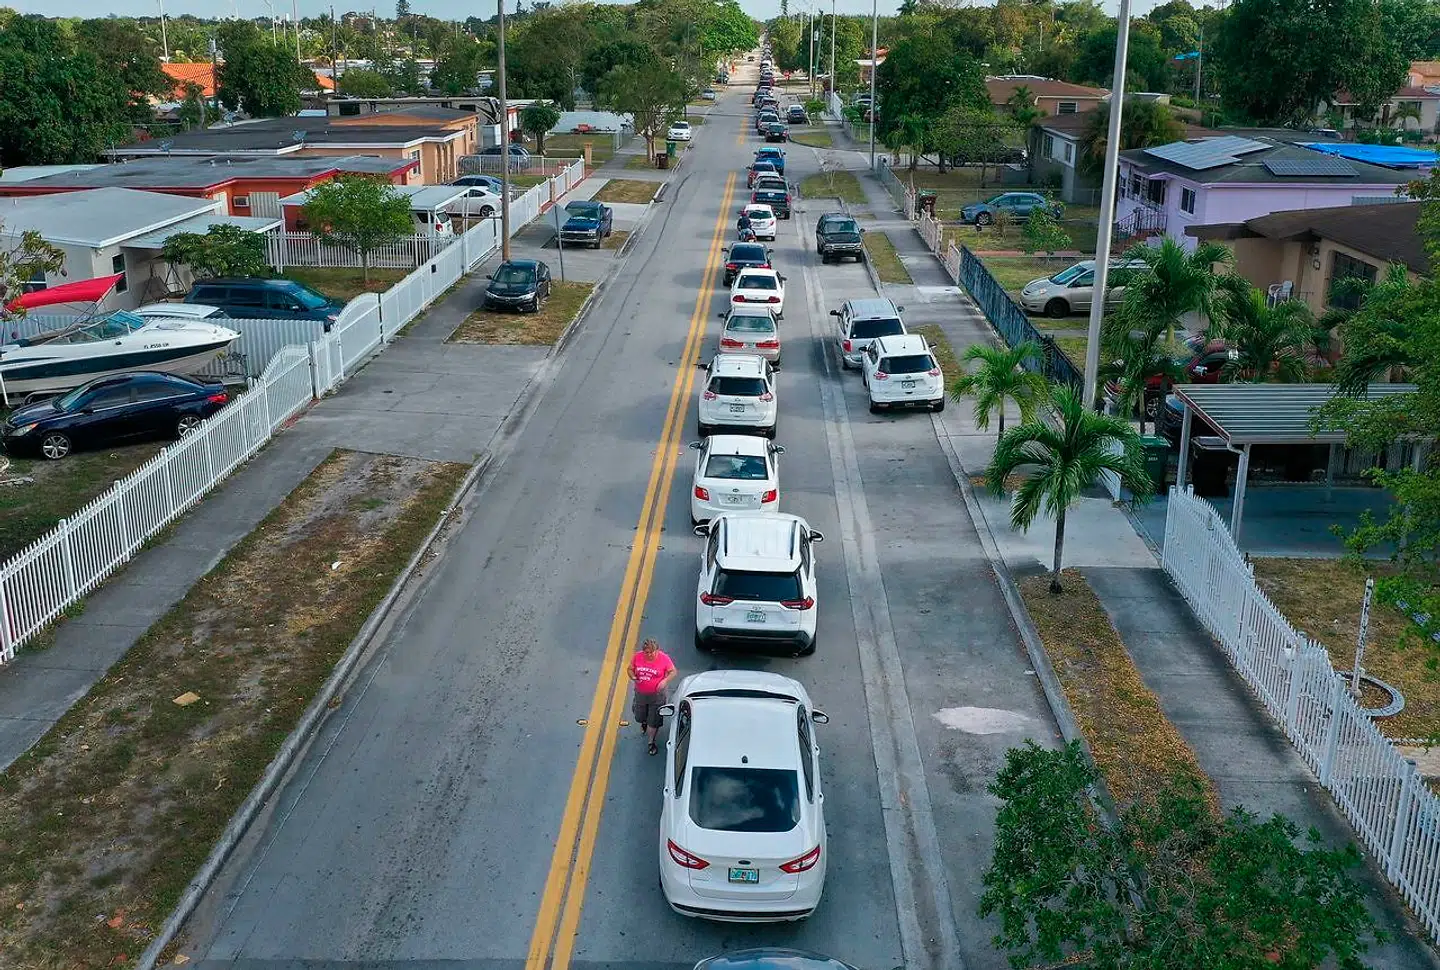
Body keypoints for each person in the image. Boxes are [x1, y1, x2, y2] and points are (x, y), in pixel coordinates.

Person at [628, 637, 676, 756]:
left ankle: (651, 742)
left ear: (657, 650)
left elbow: (673, 671)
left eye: (651, 652)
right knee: (639, 716)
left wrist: (664, 681)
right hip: (641, 694)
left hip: (657, 696)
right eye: (646, 652)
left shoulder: (664, 658)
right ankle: (644, 721)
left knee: (653, 721)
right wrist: (633, 677)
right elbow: (630, 669)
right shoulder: (637, 657)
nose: (648, 654)